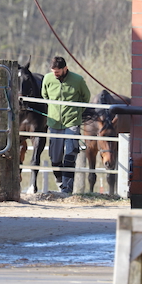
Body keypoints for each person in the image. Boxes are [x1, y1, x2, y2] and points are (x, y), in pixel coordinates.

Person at [41, 56, 91, 194]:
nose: (55, 74)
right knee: (55, 158)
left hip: (72, 122)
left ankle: (67, 191)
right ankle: (60, 183)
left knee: (70, 154)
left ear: (65, 68)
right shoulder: (48, 79)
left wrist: (76, 112)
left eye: (58, 71)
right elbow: (45, 96)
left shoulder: (78, 80)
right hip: (54, 123)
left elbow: (86, 97)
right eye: (53, 71)